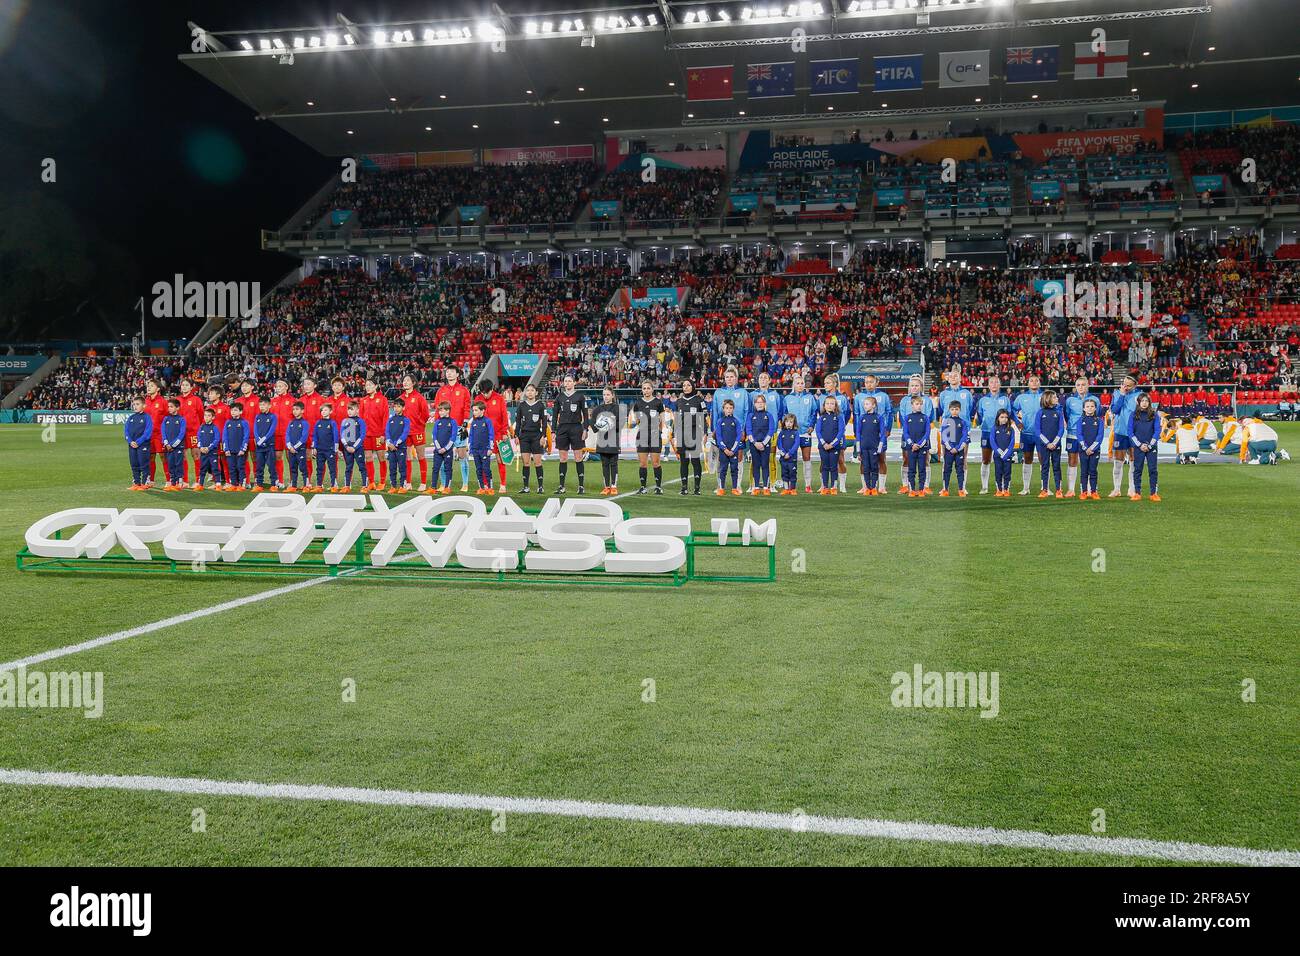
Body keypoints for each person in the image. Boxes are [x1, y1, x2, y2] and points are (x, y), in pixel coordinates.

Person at [433, 367, 472, 491]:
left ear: (457, 374)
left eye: (451, 372)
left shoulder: (464, 390)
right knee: (443, 454)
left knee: (462, 455)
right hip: (443, 428)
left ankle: (465, 484)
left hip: (460, 427)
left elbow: (467, 408)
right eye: (447, 372)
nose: (449, 373)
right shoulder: (441, 391)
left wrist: (465, 427)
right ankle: (444, 484)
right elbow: (437, 409)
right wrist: (436, 425)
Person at [1063, 376, 1100, 498]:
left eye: (1083, 384)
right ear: (1075, 387)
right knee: (1072, 461)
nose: (1081, 387)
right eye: (1078, 385)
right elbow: (1067, 415)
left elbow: (1097, 416)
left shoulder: (1094, 399)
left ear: (1088, 385)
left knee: (1090, 464)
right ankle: (1071, 489)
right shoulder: (1070, 400)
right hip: (1073, 434)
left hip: (1089, 435)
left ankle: (1090, 490)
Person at [855, 374, 892, 494]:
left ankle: (881, 486)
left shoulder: (883, 396)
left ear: (876, 383)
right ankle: (865, 486)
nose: (869, 384)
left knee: (881, 458)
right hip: (864, 434)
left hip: (879, 433)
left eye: (871, 382)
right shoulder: (859, 397)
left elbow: (889, 412)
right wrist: (857, 432)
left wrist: (888, 429)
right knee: (863, 460)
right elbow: (856, 414)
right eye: (866, 382)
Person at [552, 374, 588, 495]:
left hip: (576, 428)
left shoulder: (580, 396)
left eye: (569, 381)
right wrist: (553, 431)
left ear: (574, 383)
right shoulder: (559, 397)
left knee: (578, 457)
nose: (567, 383)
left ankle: (581, 486)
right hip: (562, 429)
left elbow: (585, 414)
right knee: (563, 458)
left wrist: (585, 429)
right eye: (565, 381)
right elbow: (554, 415)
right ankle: (562, 486)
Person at [974, 375, 1011, 495]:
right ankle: (984, 487)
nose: (994, 384)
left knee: (1001, 459)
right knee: (986, 460)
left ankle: (1000, 487)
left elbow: (1009, 415)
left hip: (1002, 433)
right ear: (988, 385)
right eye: (992, 382)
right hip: (986, 432)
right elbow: (979, 416)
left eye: (996, 382)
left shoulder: (1005, 399)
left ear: (1000, 385)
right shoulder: (983, 400)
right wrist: (983, 424)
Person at [896, 375, 933, 494]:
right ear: (909, 387)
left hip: (922, 435)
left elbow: (930, 417)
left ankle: (925, 486)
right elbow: (902, 417)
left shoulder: (927, 400)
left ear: (921, 387)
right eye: (912, 385)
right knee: (906, 458)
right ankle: (905, 485)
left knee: (925, 459)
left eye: (917, 385)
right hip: (908, 436)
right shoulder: (904, 400)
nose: (914, 388)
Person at [1107, 374, 1141, 497]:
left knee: (1133, 461)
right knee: (1118, 461)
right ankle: (1116, 489)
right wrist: (1121, 394)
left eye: (1128, 385)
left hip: (1134, 433)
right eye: (1124, 384)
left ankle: (1131, 489)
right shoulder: (1117, 393)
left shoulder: (1139, 396)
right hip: (1120, 431)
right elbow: (1115, 410)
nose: (1125, 387)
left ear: (1134, 386)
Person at [674, 378, 708, 496]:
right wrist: (675, 435)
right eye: (684, 385)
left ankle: (697, 488)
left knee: (695, 460)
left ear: (693, 386)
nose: (686, 387)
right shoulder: (679, 401)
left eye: (688, 385)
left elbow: (704, 417)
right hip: (682, 433)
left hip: (695, 432)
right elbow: (677, 420)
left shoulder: (699, 400)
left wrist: (705, 433)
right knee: (683, 461)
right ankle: (684, 488)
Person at [631, 380, 665, 495]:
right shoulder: (638, 403)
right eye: (644, 388)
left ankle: (658, 487)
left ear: (652, 389)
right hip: (642, 436)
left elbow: (662, 420)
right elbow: (636, 420)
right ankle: (643, 487)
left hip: (655, 436)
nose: (646, 390)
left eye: (648, 388)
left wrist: (659, 431)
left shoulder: (658, 403)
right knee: (643, 464)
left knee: (656, 463)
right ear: (642, 390)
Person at [514, 383, 549, 494]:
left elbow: (544, 422)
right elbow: (518, 422)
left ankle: (540, 487)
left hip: (536, 437)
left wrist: (543, 436)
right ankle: (526, 487)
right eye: (528, 390)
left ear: (536, 392)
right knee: (526, 463)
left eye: (532, 390)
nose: (530, 392)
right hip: (524, 437)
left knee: (537, 462)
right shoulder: (521, 405)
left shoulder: (540, 405)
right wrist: (516, 435)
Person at [477, 379, 511, 492]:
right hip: (483, 435)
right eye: (483, 392)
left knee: (500, 459)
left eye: (487, 392)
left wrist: (504, 432)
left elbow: (504, 416)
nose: (485, 395)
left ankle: (503, 484)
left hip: (498, 434)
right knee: (483, 460)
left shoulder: (499, 398)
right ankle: (485, 484)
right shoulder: (478, 399)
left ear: (492, 389)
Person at [1013, 374, 1044, 496]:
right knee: (1027, 459)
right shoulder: (1021, 397)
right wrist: (1017, 422)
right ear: (1028, 383)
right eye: (1032, 380)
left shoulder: (1044, 396)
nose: (1034, 382)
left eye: (1037, 380)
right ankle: (1026, 488)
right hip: (1026, 433)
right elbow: (1013, 411)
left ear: (1039, 383)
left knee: (1043, 460)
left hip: (1042, 434)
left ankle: (1044, 487)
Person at [1129, 393, 1163, 500]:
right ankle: (1137, 493)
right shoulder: (1133, 415)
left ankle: (1153, 493)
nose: (1144, 403)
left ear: (1149, 402)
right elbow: (1130, 432)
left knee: (1153, 469)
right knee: (1137, 469)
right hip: (1138, 447)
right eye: (1142, 401)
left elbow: (1157, 430)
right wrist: (1139, 444)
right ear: (1138, 402)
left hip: (1151, 447)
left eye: (1146, 401)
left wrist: (1150, 444)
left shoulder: (1154, 415)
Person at [400, 375, 430, 492]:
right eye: (404, 380)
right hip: (405, 433)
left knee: (421, 456)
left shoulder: (419, 397)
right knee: (407, 458)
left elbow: (426, 414)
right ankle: (408, 482)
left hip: (417, 431)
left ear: (413, 383)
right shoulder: (400, 398)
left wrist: (420, 424)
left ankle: (423, 483)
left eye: (407, 380)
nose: (405, 382)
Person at [359, 377, 389, 491]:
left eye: (370, 385)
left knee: (381, 457)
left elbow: (385, 418)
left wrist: (383, 434)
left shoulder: (382, 399)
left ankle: (382, 481)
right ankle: (371, 482)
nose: (368, 387)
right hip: (366, 435)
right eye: (366, 385)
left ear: (376, 386)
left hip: (378, 434)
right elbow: (361, 419)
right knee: (368, 457)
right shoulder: (363, 400)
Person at [1034, 390, 1066, 498]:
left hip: (1056, 445)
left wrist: (1055, 442)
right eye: (1054, 397)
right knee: (1045, 466)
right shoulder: (1040, 413)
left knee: (1056, 466)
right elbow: (1037, 430)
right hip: (1044, 445)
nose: (1057, 399)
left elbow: (1061, 429)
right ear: (1047, 399)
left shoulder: (1058, 412)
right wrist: (1047, 443)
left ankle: (1058, 490)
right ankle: (1044, 490)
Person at [854, 395, 886, 497]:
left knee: (874, 467)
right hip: (864, 447)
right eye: (864, 404)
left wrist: (880, 448)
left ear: (873, 405)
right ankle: (867, 488)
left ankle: (874, 487)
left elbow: (882, 434)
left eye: (867, 404)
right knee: (866, 467)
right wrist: (858, 450)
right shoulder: (862, 417)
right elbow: (858, 434)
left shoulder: (879, 417)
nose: (865, 406)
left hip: (874, 447)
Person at [592, 387, 622, 495]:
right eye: (604, 394)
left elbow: (620, 425)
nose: (606, 397)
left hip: (613, 440)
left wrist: (609, 424)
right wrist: (600, 425)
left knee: (613, 463)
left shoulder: (618, 408)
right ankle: (606, 487)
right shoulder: (597, 409)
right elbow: (594, 427)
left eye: (608, 394)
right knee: (604, 464)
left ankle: (614, 486)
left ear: (612, 395)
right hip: (602, 440)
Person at [176, 378, 205, 488]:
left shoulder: (196, 399)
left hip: (193, 432)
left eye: (187, 385)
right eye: (183, 385)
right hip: (180, 433)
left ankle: (198, 480)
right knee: (182, 455)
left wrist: (199, 430)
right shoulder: (177, 399)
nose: (184, 387)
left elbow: (201, 415)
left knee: (196, 454)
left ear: (191, 387)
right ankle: (185, 481)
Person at [746, 393, 776, 495]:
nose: (760, 404)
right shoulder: (750, 415)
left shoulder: (769, 415)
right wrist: (754, 442)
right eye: (758, 402)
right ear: (754, 404)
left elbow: (771, 430)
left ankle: (766, 488)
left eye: (762, 402)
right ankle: (756, 487)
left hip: (765, 444)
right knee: (755, 465)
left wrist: (763, 443)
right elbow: (748, 430)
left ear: (765, 403)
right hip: (754, 444)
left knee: (765, 465)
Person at [269, 378, 297, 489]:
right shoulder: (272, 401)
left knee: (290, 457)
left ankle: (292, 481)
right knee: (277, 456)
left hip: (289, 434)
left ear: (286, 387)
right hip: (276, 433)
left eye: (281, 386)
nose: (278, 388)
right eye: (277, 386)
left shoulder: (293, 400)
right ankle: (280, 481)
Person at [814, 394, 845, 495]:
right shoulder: (821, 418)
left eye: (832, 403)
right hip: (823, 447)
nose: (829, 405)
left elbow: (841, 432)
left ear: (835, 406)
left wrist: (832, 444)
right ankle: (825, 487)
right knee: (825, 466)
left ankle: (834, 487)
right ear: (824, 405)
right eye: (827, 403)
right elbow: (818, 431)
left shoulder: (839, 417)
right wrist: (823, 443)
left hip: (834, 446)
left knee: (833, 467)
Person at [939, 400, 970, 497]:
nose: (954, 411)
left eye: (956, 409)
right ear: (949, 410)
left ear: (959, 410)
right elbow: (944, 436)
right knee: (947, 470)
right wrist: (950, 447)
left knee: (960, 470)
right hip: (949, 451)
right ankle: (945, 489)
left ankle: (961, 489)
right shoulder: (946, 422)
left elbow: (964, 436)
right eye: (952, 409)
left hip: (959, 451)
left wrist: (957, 448)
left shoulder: (963, 422)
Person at [902, 395, 930, 497]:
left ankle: (921, 489)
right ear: (912, 405)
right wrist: (912, 444)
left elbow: (927, 433)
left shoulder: (925, 417)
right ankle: (912, 490)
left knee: (922, 469)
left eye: (920, 404)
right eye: (916, 404)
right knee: (911, 469)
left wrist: (918, 444)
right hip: (911, 448)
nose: (919, 406)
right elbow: (905, 433)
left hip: (922, 447)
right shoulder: (907, 418)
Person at [142, 378, 169, 486]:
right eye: (148, 385)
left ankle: (169, 480)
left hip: (160, 435)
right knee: (150, 457)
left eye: (151, 386)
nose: (148, 387)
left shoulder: (163, 402)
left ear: (158, 389)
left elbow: (168, 418)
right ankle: (151, 480)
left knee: (163, 457)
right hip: (148, 435)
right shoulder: (145, 401)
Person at [714, 398, 743, 495]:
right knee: (723, 469)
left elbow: (739, 436)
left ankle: (735, 488)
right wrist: (725, 449)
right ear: (723, 409)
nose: (729, 410)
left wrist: (733, 449)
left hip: (733, 450)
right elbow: (718, 436)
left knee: (734, 469)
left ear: (733, 409)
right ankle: (721, 488)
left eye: (730, 408)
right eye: (727, 408)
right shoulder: (719, 421)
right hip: (724, 451)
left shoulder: (736, 421)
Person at [123, 396, 153, 490]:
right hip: (132, 445)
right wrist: (130, 441)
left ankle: (145, 482)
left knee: (143, 463)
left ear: (144, 405)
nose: (135, 406)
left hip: (143, 445)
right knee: (134, 464)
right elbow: (126, 431)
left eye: (137, 404)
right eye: (134, 404)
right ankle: (136, 483)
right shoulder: (131, 418)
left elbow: (148, 432)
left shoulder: (147, 417)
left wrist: (138, 442)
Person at [466, 400, 496, 495]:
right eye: (473, 410)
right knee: (478, 469)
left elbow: (491, 435)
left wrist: (490, 448)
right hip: (475, 449)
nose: (474, 412)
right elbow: (471, 435)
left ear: (482, 411)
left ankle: (490, 488)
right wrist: (470, 448)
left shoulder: (487, 421)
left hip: (484, 450)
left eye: (476, 410)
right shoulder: (473, 422)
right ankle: (482, 487)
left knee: (486, 468)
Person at [429, 401, 458, 494]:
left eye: (442, 411)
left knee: (448, 469)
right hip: (438, 451)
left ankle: (447, 487)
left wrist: (445, 449)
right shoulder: (437, 422)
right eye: (439, 411)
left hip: (448, 451)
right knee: (435, 468)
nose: (440, 413)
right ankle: (433, 487)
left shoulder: (453, 422)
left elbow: (453, 437)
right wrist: (438, 448)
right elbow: (434, 435)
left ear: (448, 411)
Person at [1077, 398, 1104, 499]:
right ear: (1084, 408)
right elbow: (1079, 435)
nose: (1090, 408)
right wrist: (1085, 448)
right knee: (1084, 471)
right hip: (1083, 450)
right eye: (1087, 406)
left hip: (1094, 450)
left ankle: (1093, 492)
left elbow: (1100, 436)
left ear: (1095, 408)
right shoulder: (1080, 420)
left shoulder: (1099, 421)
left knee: (1093, 470)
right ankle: (1083, 492)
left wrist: (1092, 448)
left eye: (1092, 406)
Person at [251, 394, 278, 491]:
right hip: (259, 446)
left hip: (269, 445)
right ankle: (259, 484)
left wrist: (264, 439)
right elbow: (255, 429)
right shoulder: (258, 416)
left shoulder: (272, 417)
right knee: (259, 466)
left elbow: (272, 430)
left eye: (264, 404)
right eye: (260, 405)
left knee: (271, 466)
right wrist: (258, 439)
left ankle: (274, 484)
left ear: (269, 406)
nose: (262, 407)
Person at [205, 385, 231, 486]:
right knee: (214, 461)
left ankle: (228, 482)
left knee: (224, 460)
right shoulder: (208, 408)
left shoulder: (225, 408)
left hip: (222, 439)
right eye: (209, 393)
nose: (209, 395)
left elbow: (229, 424)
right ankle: (217, 482)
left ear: (218, 395)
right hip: (211, 440)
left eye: (212, 393)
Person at [385, 397, 411, 494]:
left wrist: (396, 443)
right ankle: (393, 486)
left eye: (398, 406)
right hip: (391, 448)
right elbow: (387, 432)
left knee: (402, 467)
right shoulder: (390, 419)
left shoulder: (405, 420)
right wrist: (389, 443)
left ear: (403, 408)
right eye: (395, 406)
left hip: (401, 448)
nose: (396, 408)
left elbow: (405, 433)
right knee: (392, 467)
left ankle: (402, 486)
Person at [222, 402, 250, 491]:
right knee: (232, 467)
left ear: (241, 412)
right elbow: (224, 436)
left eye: (235, 410)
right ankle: (233, 484)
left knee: (240, 467)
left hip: (240, 450)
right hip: (230, 450)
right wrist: (226, 449)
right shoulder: (228, 422)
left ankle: (242, 484)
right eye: (232, 410)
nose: (233, 412)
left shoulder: (244, 422)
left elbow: (246, 436)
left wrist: (243, 449)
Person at [312, 403, 341, 492]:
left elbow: (336, 435)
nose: (323, 412)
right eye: (322, 410)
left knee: (332, 467)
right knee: (319, 468)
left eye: (325, 410)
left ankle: (334, 485)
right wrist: (314, 447)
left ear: (330, 411)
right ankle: (319, 485)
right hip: (320, 450)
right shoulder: (318, 422)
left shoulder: (332, 423)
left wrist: (336, 447)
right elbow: (315, 436)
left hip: (330, 450)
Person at [160, 399, 187, 491]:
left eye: (171, 407)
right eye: (168, 407)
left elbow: (182, 433)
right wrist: (166, 443)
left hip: (178, 446)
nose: (169, 409)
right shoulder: (166, 419)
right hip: (168, 447)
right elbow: (163, 431)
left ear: (177, 408)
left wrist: (173, 444)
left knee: (178, 464)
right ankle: (172, 483)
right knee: (170, 464)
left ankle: (180, 482)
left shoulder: (181, 419)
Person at [340, 400, 367, 491]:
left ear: (357, 410)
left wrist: (354, 447)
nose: (349, 411)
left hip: (358, 448)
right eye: (348, 409)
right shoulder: (344, 421)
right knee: (348, 467)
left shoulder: (360, 421)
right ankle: (347, 486)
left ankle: (364, 486)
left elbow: (362, 435)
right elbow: (342, 435)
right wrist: (347, 446)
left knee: (362, 466)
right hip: (347, 448)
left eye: (352, 409)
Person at [990, 409, 1018, 497]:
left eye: (1006, 417)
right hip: (997, 455)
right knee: (998, 472)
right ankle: (999, 489)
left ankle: (1006, 489)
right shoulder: (994, 428)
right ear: (998, 418)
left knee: (1007, 472)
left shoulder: (1011, 429)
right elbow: (992, 441)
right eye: (1002, 417)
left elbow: (1012, 442)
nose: (1004, 419)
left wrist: (1006, 453)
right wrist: (999, 451)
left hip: (1008, 455)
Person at [284, 402, 310, 492]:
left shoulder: (304, 423)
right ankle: (293, 485)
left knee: (303, 467)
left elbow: (304, 437)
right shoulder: (291, 422)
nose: (295, 411)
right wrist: (289, 446)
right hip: (291, 450)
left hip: (300, 449)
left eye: (297, 409)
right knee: (293, 467)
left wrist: (295, 447)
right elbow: (287, 434)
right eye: (294, 409)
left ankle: (306, 485)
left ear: (302, 411)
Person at [776, 413, 801, 496]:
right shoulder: (782, 433)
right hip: (783, 458)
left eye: (791, 422)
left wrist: (790, 453)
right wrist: (783, 453)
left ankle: (793, 489)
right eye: (787, 422)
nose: (789, 424)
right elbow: (779, 444)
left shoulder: (796, 433)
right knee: (784, 473)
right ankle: (786, 489)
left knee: (792, 473)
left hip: (792, 458)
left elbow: (796, 444)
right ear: (784, 423)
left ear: (794, 423)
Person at [196, 408, 220, 490]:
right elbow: (198, 438)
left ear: (213, 417)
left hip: (212, 453)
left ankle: (218, 484)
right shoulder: (201, 427)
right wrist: (201, 447)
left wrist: (209, 448)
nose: (206, 417)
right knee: (202, 468)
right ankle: (200, 485)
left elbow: (217, 439)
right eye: (205, 415)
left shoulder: (214, 428)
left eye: (209, 416)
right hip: (203, 452)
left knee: (215, 468)